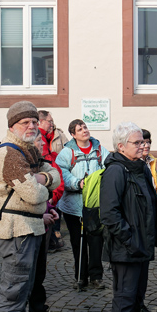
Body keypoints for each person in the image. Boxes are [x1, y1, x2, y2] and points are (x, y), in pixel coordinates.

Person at [0, 101, 60, 312]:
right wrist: (44, 181)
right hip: (16, 230)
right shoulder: (10, 154)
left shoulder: (28, 150)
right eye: (24, 123)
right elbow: (35, 195)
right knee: (12, 295)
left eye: (33, 121)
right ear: (12, 127)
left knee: (23, 292)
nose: (31, 126)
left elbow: (55, 175)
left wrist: (42, 177)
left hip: (30, 227)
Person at [101, 122, 157, 312]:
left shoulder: (138, 168)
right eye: (137, 143)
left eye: (144, 142)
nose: (144, 146)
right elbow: (110, 214)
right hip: (127, 248)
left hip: (141, 246)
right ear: (121, 146)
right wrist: (131, 240)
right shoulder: (117, 171)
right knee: (125, 298)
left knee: (137, 296)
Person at [56, 119, 110, 289]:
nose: (84, 131)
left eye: (85, 127)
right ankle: (80, 276)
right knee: (78, 242)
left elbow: (109, 167)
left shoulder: (100, 149)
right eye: (80, 129)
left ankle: (96, 277)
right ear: (73, 134)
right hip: (74, 206)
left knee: (96, 240)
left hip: (94, 205)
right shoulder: (66, 152)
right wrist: (76, 183)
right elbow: (61, 172)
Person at [28, 134, 62, 312]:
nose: (43, 144)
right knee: (26, 279)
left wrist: (49, 209)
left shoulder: (40, 163)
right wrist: (41, 215)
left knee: (38, 276)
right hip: (26, 230)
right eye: (39, 142)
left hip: (42, 228)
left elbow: (51, 186)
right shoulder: (19, 163)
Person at [139, 128, 157, 312]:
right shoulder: (133, 164)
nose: (146, 145)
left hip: (152, 221)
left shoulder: (152, 163)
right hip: (139, 224)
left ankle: (141, 303)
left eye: (148, 142)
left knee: (145, 268)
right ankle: (135, 305)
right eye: (142, 142)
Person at [38, 110, 66, 251]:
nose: (52, 124)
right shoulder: (39, 139)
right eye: (49, 121)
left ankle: (52, 240)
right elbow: (46, 166)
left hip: (54, 182)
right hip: (49, 186)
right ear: (40, 122)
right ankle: (50, 242)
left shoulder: (53, 135)